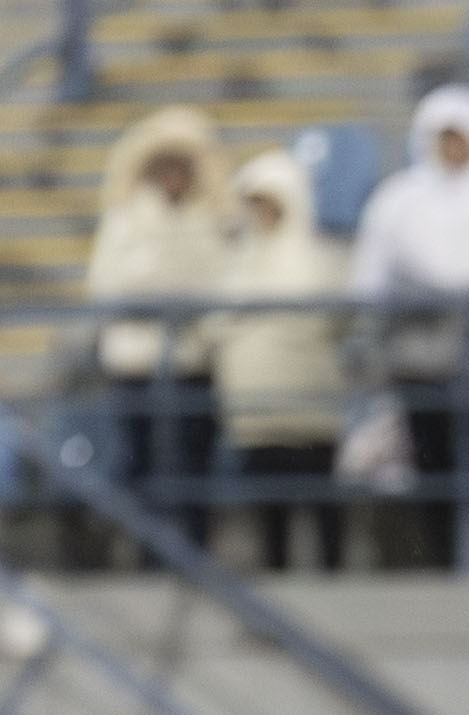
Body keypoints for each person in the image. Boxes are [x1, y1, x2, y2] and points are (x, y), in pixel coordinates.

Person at [349, 84, 469, 569]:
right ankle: (443, 567)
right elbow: (370, 281)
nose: (452, 149)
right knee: (433, 477)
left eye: (461, 138)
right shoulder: (397, 202)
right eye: (443, 138)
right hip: (421, 368)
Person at [85, 105, 231, 551]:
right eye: (164, 166)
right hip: (136, 365)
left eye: (180, 166)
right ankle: (151, 556)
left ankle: (195, 554)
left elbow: (218, 288)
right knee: (142, 465)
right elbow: (105, 286)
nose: (172, 176)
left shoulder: (208, 223)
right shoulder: (124, 220)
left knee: (193, 467)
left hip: (192, 364)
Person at [211, 148, 350, 574]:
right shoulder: (235, 260)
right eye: (254, 203)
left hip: (310, 409)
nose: (260, 213)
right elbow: (212, 323)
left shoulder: (320, 259)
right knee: (271, 514)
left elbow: (330, 318)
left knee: (322, 503)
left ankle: (334, 580)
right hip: (254, 415)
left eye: (269, 202)